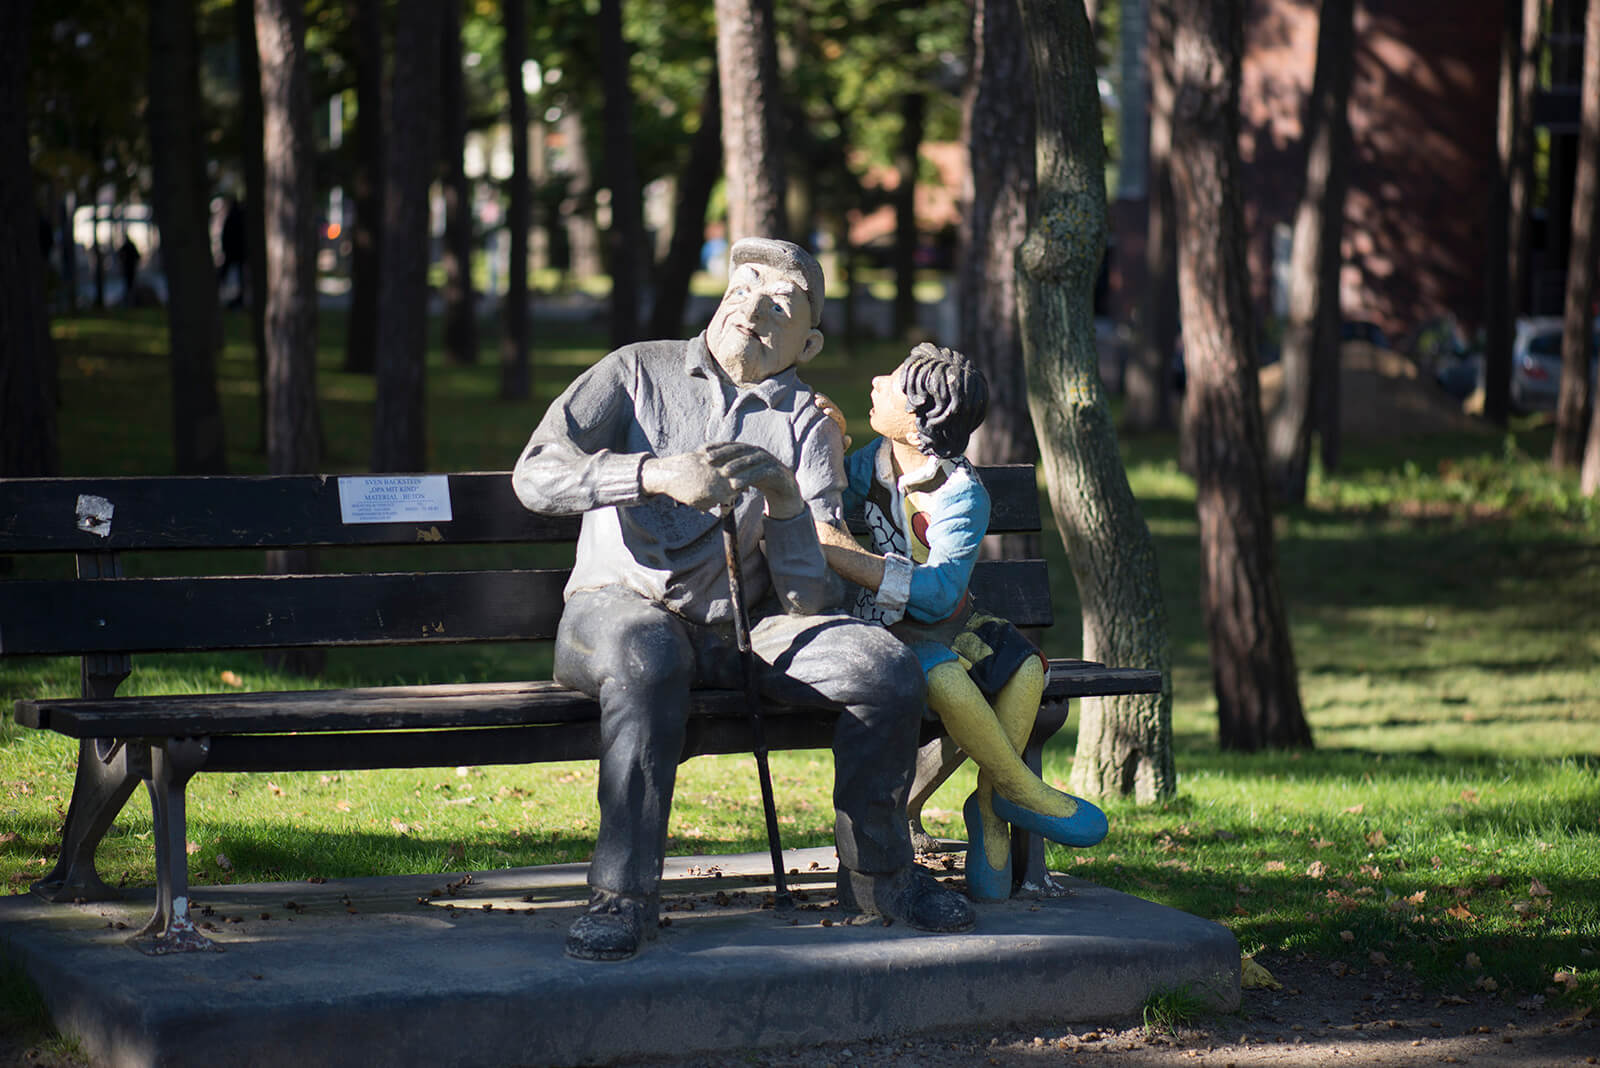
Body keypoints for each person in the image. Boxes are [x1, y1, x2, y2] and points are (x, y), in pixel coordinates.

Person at [512, 238, 974, 962]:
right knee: (649, 653)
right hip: (616, 611)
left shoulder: (807, 424)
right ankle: (623, 895)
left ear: (808, 341)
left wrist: (789, 506)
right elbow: (537, 475)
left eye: (779, 305)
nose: (750, 307)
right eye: (744, 285)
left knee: (884, 669)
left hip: (747, 629)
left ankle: (880, 876)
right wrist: (656, 475)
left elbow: (807, 597)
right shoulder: (636, 371)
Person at [812, 344, 1107, 902]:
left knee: (1025, 671)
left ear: (922, 421)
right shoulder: (865, 466)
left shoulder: (961, 495)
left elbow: (942, 591)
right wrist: (824, 437)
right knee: (945, 678)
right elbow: (819, 496)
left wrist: (855, 560)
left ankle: (992, 804)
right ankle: (1018, 789)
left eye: (894, 383)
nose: (876, 381)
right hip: (884, 634)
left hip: (949, 619)